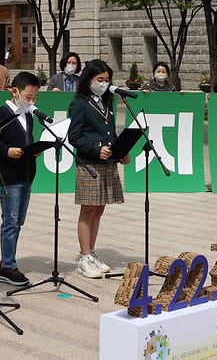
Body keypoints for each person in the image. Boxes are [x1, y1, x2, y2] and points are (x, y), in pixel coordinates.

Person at [67, 59, 130, 279]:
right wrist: (96, 149)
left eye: (107, 80)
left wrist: (121, 152)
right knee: (88, 209)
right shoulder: (79, 104)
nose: (104, 84)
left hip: (108, 163)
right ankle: (84, 257)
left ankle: (91, 252)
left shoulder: (107, 103)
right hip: (89, 163)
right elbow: (74, 137)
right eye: (99, 80)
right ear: (89, 80)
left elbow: (110, 134)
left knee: (100, 209)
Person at [0, 71, 41, 286]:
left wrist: (35, 149)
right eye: (27, 97)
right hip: (8, 175)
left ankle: (7, 261)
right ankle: (8, 266)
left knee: (18, 221)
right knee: (10, 222)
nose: (30, 102)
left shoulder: (28, 115)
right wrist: (7, 151)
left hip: (27, 173)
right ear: (14, 91)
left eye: (34, 98)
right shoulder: (1, 114)